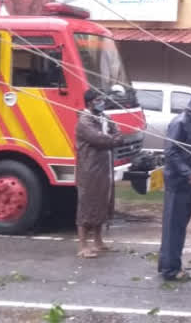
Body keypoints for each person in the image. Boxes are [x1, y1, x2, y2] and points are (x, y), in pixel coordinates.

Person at [158, 89, 191, 281]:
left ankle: (166, 263)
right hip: (178, 183)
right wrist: (188, 173)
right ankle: (171, 270)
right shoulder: (180, 123)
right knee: (174, 227)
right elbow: (171, 153)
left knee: (179, 226)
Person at [75, 89, 123, 258]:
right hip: (89, 170)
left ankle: (98, 241)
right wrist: (112, 139)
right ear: (89, 103)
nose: (101, 102)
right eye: (98, 100)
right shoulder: (84, 121)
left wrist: (113, 138)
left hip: (104, 168)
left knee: (102, 203)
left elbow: (118, 133)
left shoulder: (104, 118)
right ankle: (82, 246)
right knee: (87, 205)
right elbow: (99, 139)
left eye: (102, 99)